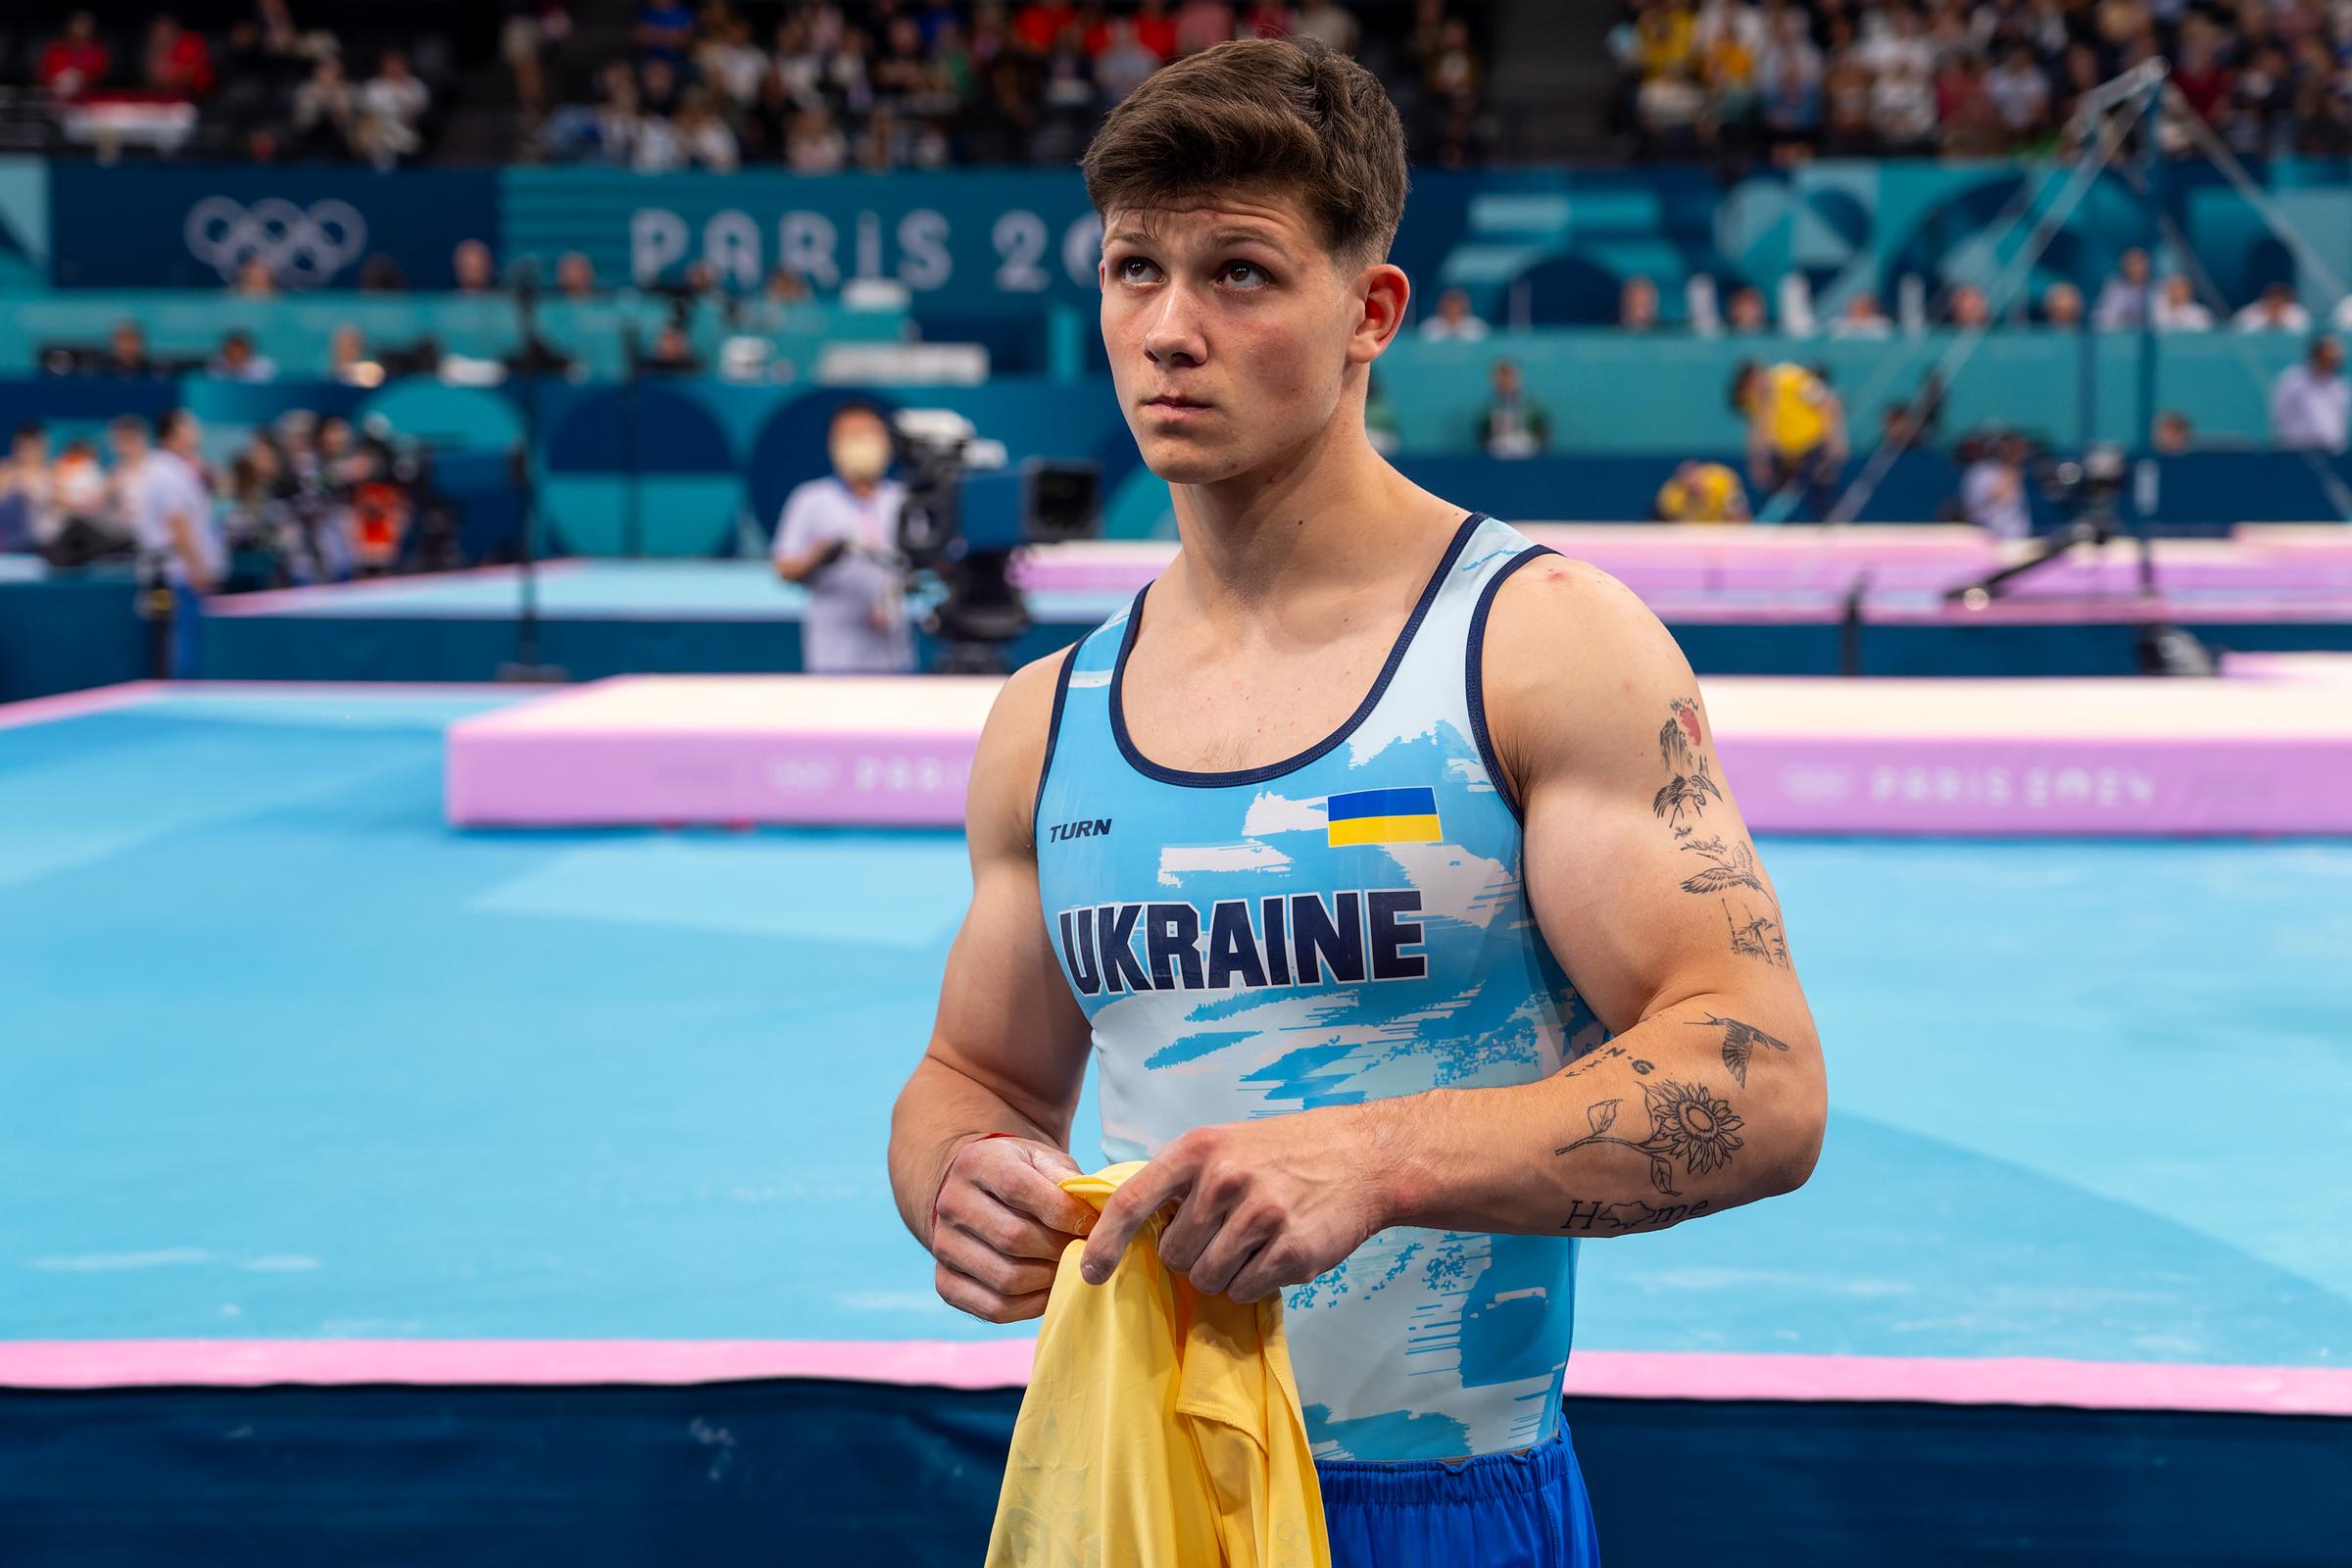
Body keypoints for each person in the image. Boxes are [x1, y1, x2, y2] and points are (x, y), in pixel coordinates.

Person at [888, 36, 1825, 1565]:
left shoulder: (1539, 649)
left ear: (1369, 313)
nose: (1168, 331)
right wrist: (961, 1180)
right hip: (1137, 1490)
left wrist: (1383, 1162)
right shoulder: (1045, 721)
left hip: (1434, 1504)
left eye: (1240, 275)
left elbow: (1765, 1087)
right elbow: (974, 1079)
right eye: (1136, 271)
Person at [770, 403, 915, 674]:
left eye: (869, 434)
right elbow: (783, 567)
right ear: (833, 445)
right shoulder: (811, 500)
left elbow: (926, 564)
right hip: (834, 650)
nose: (861, 444)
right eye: (851, 436)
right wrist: (818, 558)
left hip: (892, 649)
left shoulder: (902, 499)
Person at [118, 410, 224, 678]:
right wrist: (197, 566)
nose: (196, 432)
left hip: (180, 572)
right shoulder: (165, 472)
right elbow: (177, 522)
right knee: (182, 640)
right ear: (173, 434)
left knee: (184, 639)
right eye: (190, 427)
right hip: (178, 574)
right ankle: (181, 692)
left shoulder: (179, 468)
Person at [1731, 358, 1845, 518]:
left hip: (1812, 447)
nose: (1756, 387)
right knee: (1776, 501)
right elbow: (1757, 428)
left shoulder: (1790, 379)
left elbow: (1828, 402)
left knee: (1821, 499)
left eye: (1757, 381)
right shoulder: (1756, 397)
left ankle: (1831, 534)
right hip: (1784, 453)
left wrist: (1835, 440)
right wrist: (1758, 460)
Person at [2271, 335, 2349, 452]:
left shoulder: (2338, 387)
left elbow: (2339, 422)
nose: (2330, 363)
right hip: (2297, 450)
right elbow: (2281, 415)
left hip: (2331, 450)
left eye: (2334, 360)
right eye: (2326, 359)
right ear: (2316, 356)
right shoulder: (2292, 381)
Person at [1476, 356, 1549, 457]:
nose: (1506, 381)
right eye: (1501, 376)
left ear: (1518, 377)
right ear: (1493, 380)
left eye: (1510, 375)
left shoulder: (1535, 410)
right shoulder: (1485, 413)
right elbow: (1481, 443)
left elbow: (1544, 440)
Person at [0, 422, 57, 553]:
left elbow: (64, 505)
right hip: (11, 536)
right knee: (16, 499)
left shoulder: (52, 471)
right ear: (17, 447)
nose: (31, 452)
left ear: (43, 447)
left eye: (35, 447)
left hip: (42, 534)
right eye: (26, 447)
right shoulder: (6, 470)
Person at [1653, 458, 1749, 522]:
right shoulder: (1671, 497)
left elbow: (1740, 516)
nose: (1694, 486)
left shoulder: (1723, 482)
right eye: (1689, 485)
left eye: (1696, 481)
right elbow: (1667, 528)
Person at [1417, 285, 1488, 341]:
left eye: (1457, 303)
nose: (1453, 307)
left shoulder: (1477, 326)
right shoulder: (1429, 326)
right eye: (1450, 302)